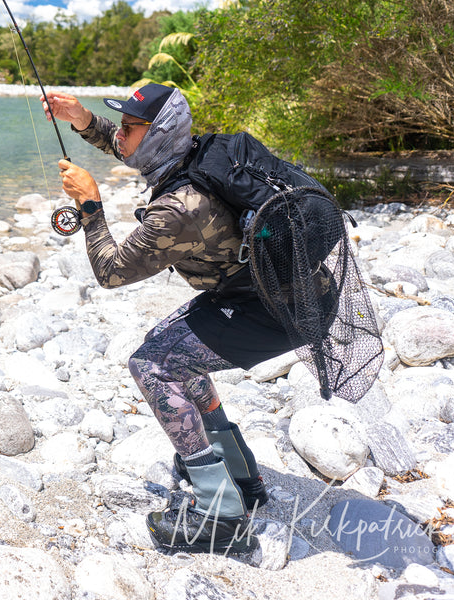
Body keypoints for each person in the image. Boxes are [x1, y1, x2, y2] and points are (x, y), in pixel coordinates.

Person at [43, 83, 293, 555]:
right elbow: (128, 147)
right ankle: (241, 476)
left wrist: (91, 207)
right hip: (266, 292)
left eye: (129, 126)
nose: (120, 134)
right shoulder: (194, 153)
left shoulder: (181, 209)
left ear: (157, 134)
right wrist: (81, 119)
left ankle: (221, 515)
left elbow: (112, 271)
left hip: (274, 311)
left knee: (152, 365)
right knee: (167, 345)